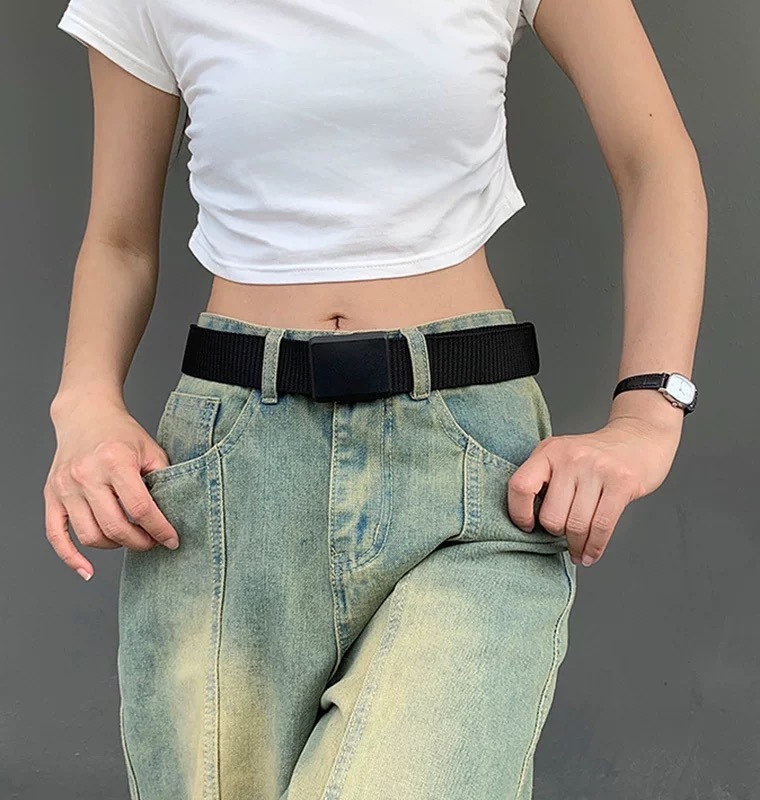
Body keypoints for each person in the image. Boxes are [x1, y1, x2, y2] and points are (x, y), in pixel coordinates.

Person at [44, 0, 706, 797]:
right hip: (230, 484)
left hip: (471, 476)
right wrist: (84, 401)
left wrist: (649, 411)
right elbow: (117, 240)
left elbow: (654, 158)